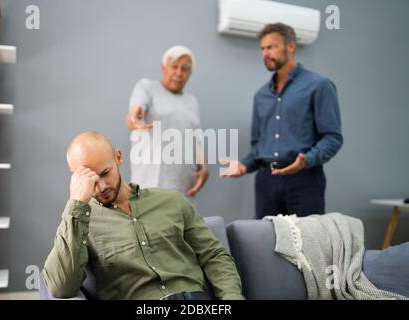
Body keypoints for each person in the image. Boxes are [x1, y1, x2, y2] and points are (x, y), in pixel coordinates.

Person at [43, 131, 244, 300]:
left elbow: (214, 255)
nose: (102, 186)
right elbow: (61, 286)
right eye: (91, 180)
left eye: (105, 173)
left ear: (118, 157)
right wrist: (76, 204)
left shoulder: (172, 200)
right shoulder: (80, 222)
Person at [221, 23, 343, 219]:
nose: (265, 53)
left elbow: (333, 138)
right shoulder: (261, 95)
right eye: (262, 48)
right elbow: (258, 146)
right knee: (263, 244)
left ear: (291, 47)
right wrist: (244, 165)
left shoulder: (319, 86)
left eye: (271, 47)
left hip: (304, 180)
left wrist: (306, 160)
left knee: (306, 244)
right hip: (266, 182)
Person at [125, 45, 209, 198]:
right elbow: (135, 113)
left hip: (184, 185)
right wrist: (135, 118)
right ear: (163, 67)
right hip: (150, 183)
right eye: (174, 66)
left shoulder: (192, 101)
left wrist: (203, 166)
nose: (179, 73)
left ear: (190, 73)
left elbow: (197, 138)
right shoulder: (147, 87)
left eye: (185, 68)